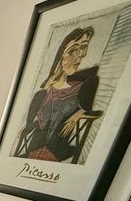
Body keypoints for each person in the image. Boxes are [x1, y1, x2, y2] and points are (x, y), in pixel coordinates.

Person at [16, 26, 101, 163]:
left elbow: (94, 113)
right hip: (35, 147)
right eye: (73, 51)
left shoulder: (83, 87)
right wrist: (27, 128)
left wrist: (78, 114)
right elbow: (38, 123)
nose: (79, 56)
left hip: (58, 149)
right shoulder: (43, 93)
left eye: (83, 48)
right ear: (61, 56)